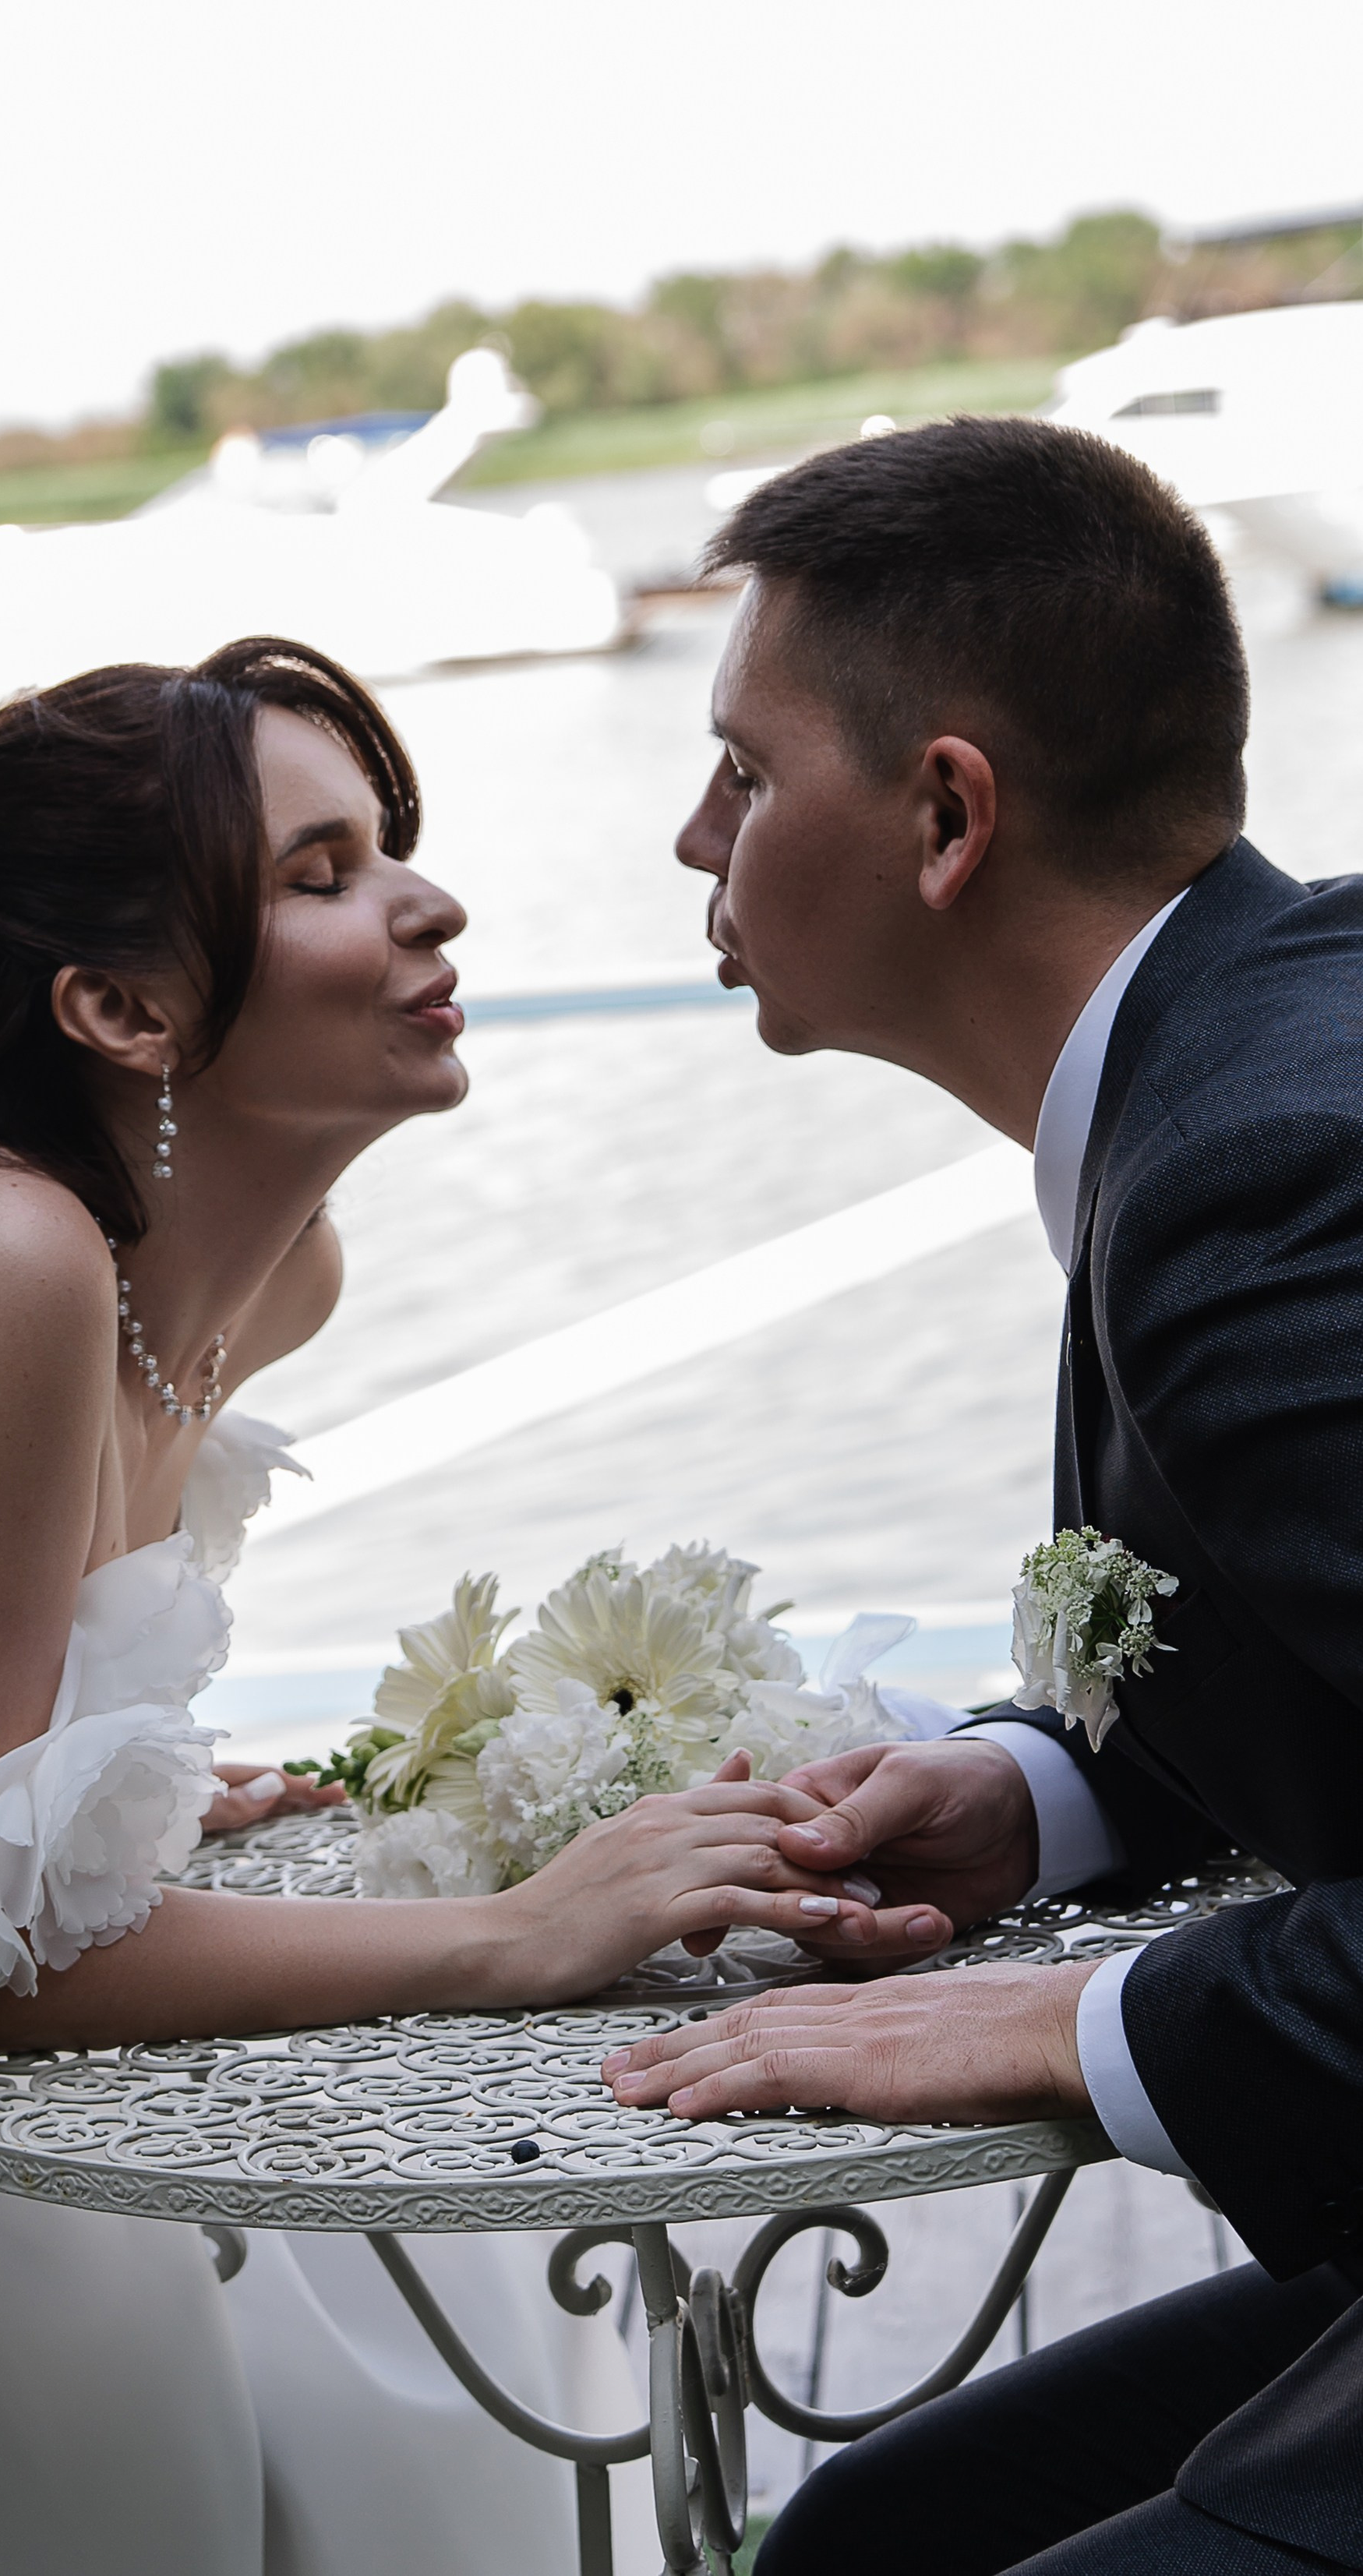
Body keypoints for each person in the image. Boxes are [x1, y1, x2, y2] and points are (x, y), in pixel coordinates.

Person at [0, 637, 840, 2576]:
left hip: (30, 2180)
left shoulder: (277, 1280)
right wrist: (516, 1932)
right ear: (119, 1006)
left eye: (390, 850)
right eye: (321, 871)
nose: (427, 899)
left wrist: (131, 1798)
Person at [604, 417, 1363, 2573]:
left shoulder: (1256, 1178)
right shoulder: (1263, 1040)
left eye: (745, 773)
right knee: (876, 2530)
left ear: (946, 814)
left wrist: (1067, 2008)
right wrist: (1058, 1799)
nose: (690, 837)